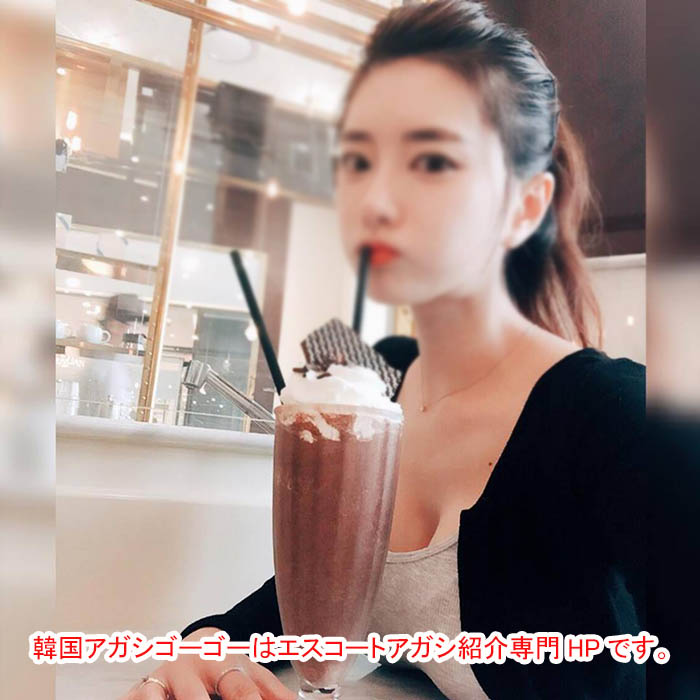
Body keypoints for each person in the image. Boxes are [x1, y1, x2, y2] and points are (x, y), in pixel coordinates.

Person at [122, 1, 645, 698]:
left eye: (430, 159)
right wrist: (201, 649)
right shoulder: (382, 369)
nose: (377, 199)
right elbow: (307, 594)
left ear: (524, 205)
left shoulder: (611, 411)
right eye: (359, 159)